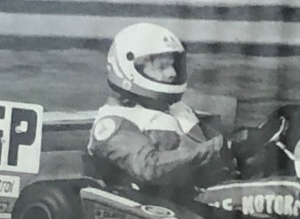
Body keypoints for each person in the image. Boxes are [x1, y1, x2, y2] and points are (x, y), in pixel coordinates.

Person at [87, 23, 232, 196]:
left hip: (201, 193)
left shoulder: (177, 110)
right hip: (152, 206)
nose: (171, 73)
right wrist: (212, 150)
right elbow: (150, 168)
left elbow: (217, 145)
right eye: (162, 67)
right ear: (132, 70)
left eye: (172, 66)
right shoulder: (114, 121)